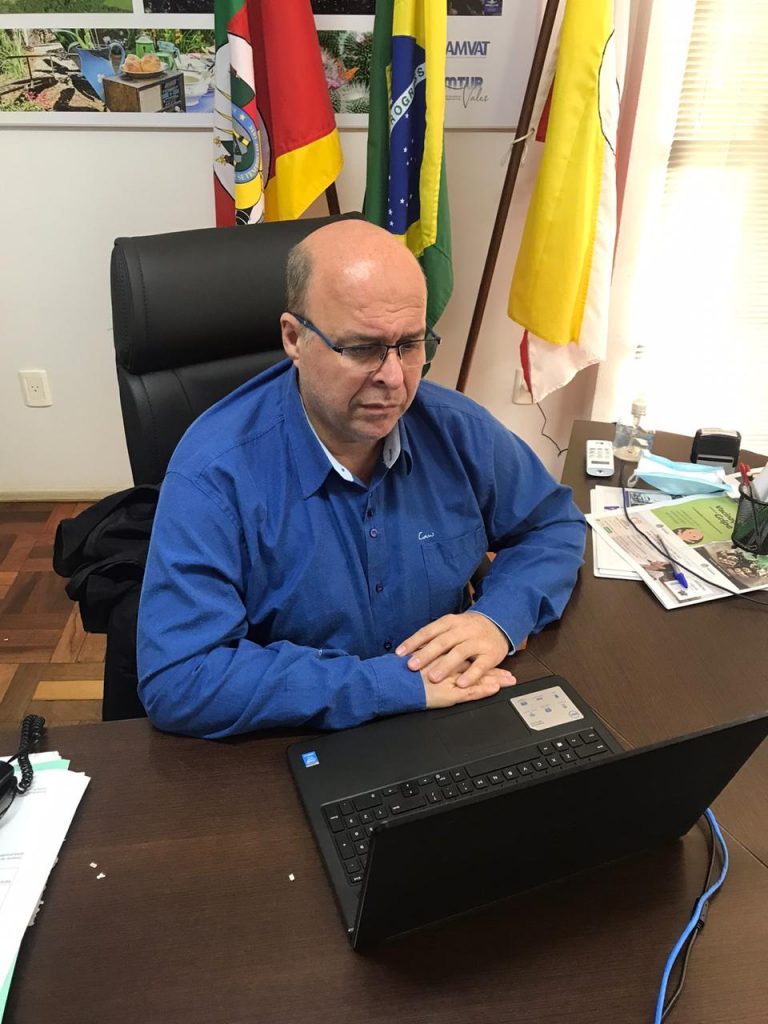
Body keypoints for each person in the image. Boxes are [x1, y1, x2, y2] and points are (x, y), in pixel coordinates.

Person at [137, 220, 586, 738]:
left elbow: (553, 524)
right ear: (294, 338)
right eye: (361, 348)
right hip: (299, 740)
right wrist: (387, 685)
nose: (393, 378)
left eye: (410, 344)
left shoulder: (455, 429)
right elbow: (181, 677)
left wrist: (498, 618)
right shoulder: (213, 473)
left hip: (451, 713)